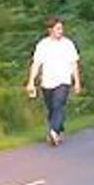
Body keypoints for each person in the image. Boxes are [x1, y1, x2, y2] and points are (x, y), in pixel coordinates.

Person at [25, 16, 82, 146]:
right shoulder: (42, 45)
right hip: (47, 82)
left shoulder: (68, 44)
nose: (61, 31)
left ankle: (53, 132)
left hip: (63, 80)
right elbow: (36, 64)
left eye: (61, 29)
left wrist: (77, 82)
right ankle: (59, 129)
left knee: (58, 104)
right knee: (51, 108)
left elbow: (74, 64)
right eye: (58, 29)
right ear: (50, 30)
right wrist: (31, 82)